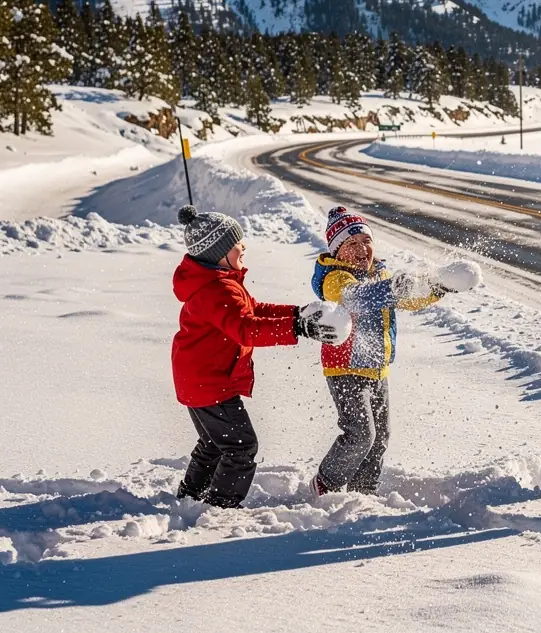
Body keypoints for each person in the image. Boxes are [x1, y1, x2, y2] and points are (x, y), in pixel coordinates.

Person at [172, 205, 339, 508]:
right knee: (241, 447)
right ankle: (219, 507)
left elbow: (254, 309)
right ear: (218, 251)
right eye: (238, 245)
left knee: (213, 444)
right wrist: (297, 328)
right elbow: (247, 329)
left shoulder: (217, 281)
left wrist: (295, 314)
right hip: (210, 382)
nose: (244, 247)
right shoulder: (218, 289)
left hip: (196, 379)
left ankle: (189, 497)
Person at [309, 207, 469, 496]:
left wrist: (438, 286)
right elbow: (358, 298)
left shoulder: (380, 272)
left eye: (366, 242)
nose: (361, 250)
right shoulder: (335, 279)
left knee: (380, 436)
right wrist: (394, 289)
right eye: (351, 244)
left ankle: (363, 492)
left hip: (377, 367)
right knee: (360, 434)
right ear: (336, 251)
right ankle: (325, 484)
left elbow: (406, 300)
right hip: (345, 368)